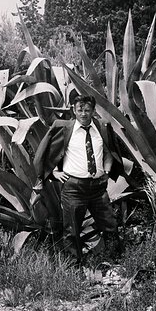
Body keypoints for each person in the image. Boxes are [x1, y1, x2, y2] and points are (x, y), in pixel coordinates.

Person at [32, 95, 125, 262]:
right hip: (74, 188)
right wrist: (53, 173)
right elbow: (45, 153)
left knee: (110, 225)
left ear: (93, 111)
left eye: (87, 110)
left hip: (98, 188)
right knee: (72, 230)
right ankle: (75, 266)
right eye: (80, 110)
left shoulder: (102, 127)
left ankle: (115, 263)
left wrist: (106, 171)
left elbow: (109, 152)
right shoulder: (63, 129)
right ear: (73, 110)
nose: (83, 114)